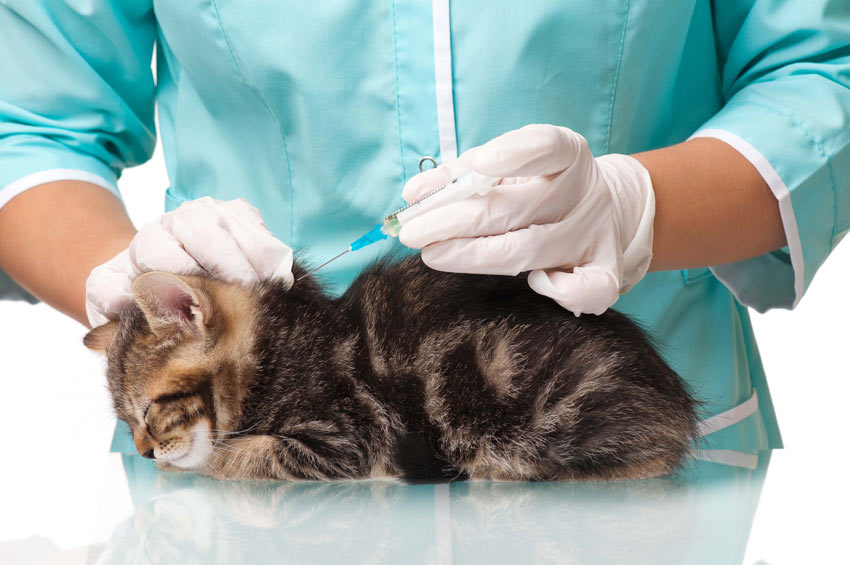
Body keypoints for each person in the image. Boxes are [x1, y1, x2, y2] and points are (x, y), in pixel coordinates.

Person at [0, 1, 848, 461]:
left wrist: (641, 205)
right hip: (245, 475)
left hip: (627, 454)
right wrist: (126, 284)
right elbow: (26, 123)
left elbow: (823, 73)